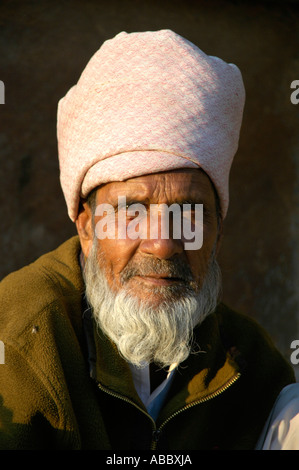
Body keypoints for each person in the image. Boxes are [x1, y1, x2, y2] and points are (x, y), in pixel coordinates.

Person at [0, 30, 297, 451]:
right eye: (130, 211)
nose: (162, 244)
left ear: (218, 229)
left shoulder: (254, 366)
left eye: (189, 212)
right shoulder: (18, 342)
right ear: (86, 227)